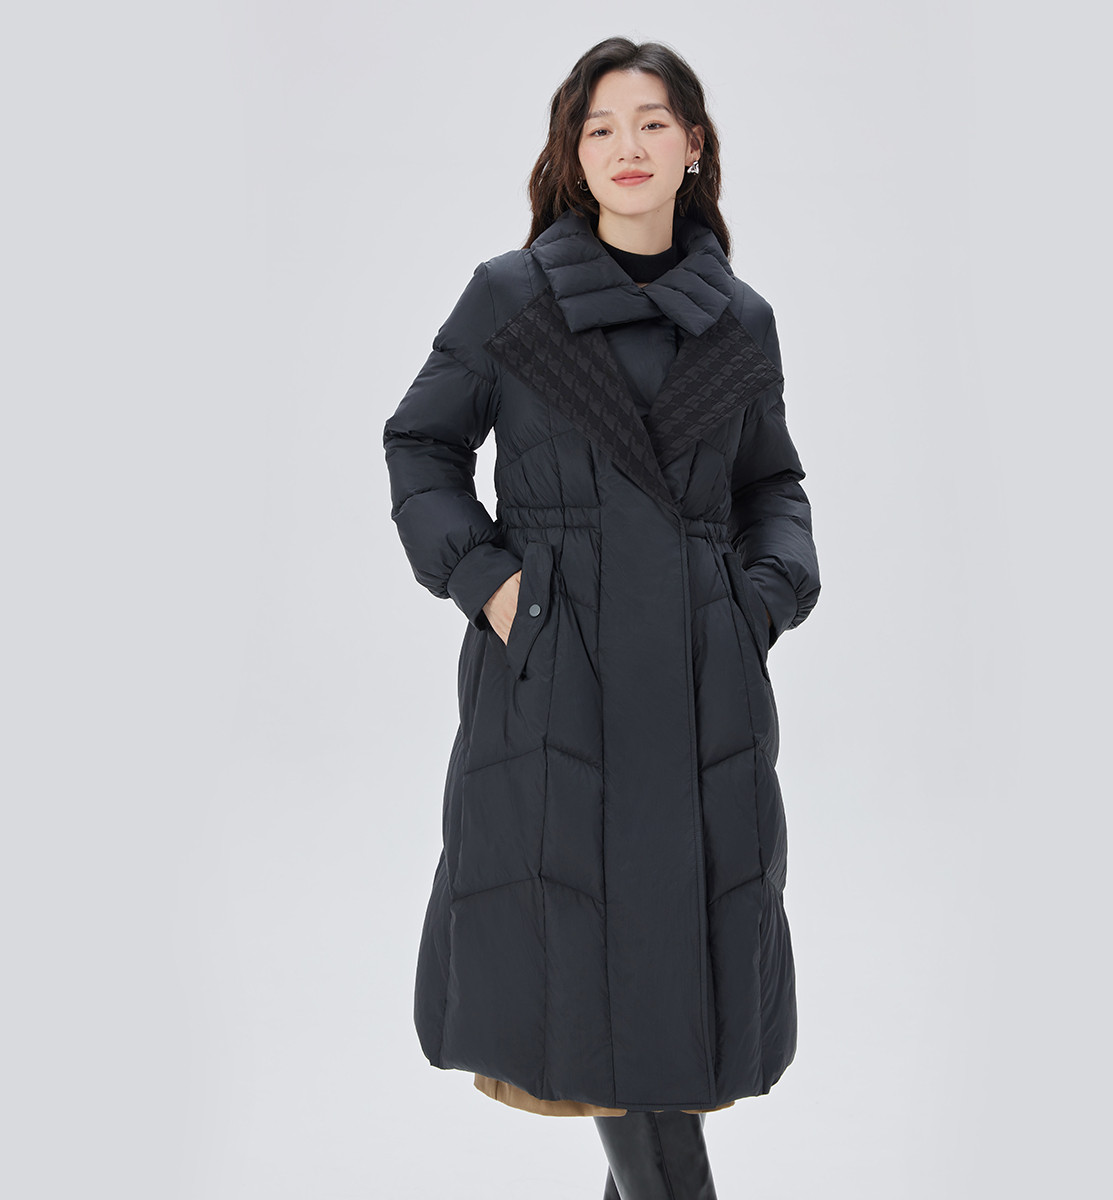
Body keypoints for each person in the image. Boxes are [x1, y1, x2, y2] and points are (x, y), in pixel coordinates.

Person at [382, 36, 821, 1199]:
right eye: (601, 127)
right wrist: (495, 588)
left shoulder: (739, 321)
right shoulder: (512, 297)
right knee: (604, 1006)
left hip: (700, 698)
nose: (629, 145)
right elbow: (421, 445)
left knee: (666, 1005)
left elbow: (772, 485)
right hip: (557, 682)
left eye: (653, 122)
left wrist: (759, 601)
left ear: (694, 146)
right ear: (573, 155)